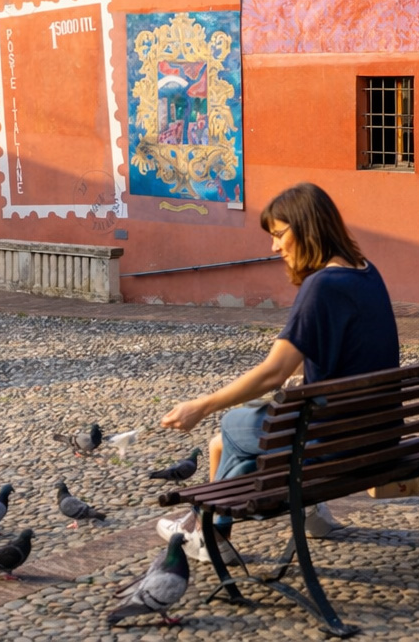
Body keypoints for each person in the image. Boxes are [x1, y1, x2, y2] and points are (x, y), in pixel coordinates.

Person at [157, 182, 400, 560]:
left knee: (232, 426)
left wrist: (202, 406)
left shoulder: (322, 286)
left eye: (279, 234)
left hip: (332, 439)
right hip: (377, 432)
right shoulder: (367, 273)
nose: (274, 246)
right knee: (229, 444)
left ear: (307, 227)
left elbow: (273, 372)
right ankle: (287, 518)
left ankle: (211, 532)